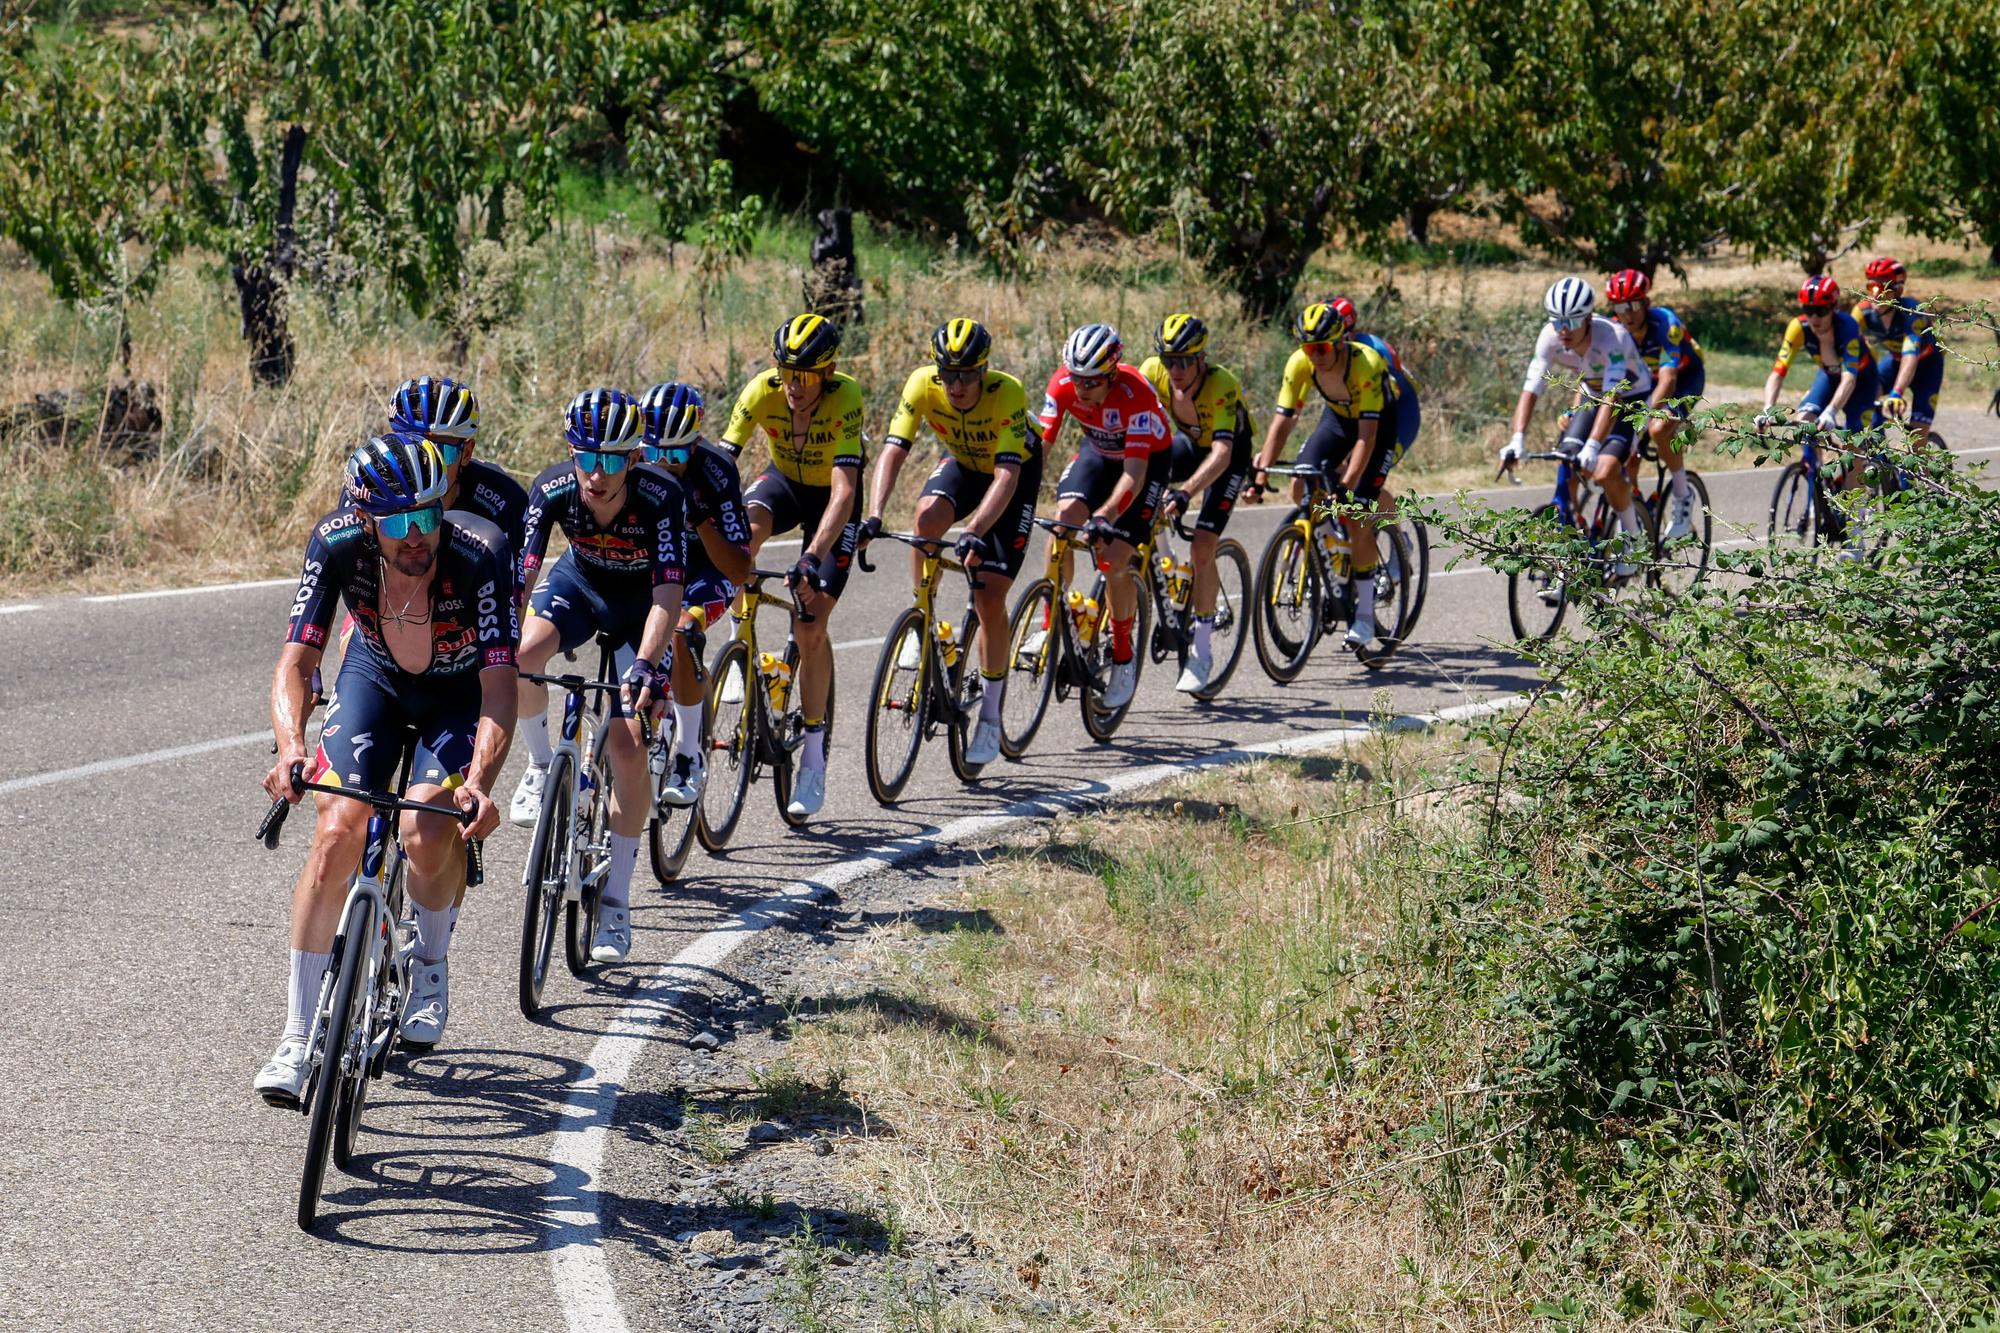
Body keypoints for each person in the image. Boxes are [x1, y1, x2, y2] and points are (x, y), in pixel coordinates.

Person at [255, 433, 514, 1104]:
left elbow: (499, 687)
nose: (417, 535)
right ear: (368, 519)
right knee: (338, 829)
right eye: (398, 522)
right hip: (374, 677)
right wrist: (290, 747)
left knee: (427, 831)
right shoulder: (338, 541)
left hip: (457, 697)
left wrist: (481, 781)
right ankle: (295, 1033)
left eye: (429, 514)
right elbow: (297, 662)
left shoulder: (478, 557)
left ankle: (429, 962)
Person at [509, 388, 688, 963]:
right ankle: (540, 766)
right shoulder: (554, 487)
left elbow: (667, 593)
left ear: (634, 459)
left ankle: (616, 898)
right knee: (519, 656)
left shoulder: (662, 497)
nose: (597, 473)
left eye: (611, 460)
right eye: (586, 458)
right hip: (581, 586)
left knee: (628, 743)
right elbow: (522, 578)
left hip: (642, 607)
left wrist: (647, 664)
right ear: (572, 454)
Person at [863, 318, 1041, 764]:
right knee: (925, 521)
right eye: (948, 373)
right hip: (963, 463)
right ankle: (922, 619)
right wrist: (875, 514)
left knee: (988, 594)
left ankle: (991, 717)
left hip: (1012, 474)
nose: (956, 385)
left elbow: (1005, 476)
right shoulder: (924, 385)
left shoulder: (1007, 393)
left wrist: (975, 531)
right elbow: (893, 451)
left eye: (966, 374)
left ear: (984, 371)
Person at [717, 314, 867, 819]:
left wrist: (810, 558)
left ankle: (815, 756)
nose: (793, 386)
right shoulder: (763, 391)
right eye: (785, 372)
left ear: (827, 373)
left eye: (804, 376)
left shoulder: (845, 397)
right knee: (742, 537)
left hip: (831, 499)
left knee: (810, 626)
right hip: (783, 481)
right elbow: (721, 463)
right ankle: (741, 643)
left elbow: (844, 493)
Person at [1253, 302, 1411, 648]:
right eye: (1308, 348)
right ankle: (1329, 541)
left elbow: (1367, 438)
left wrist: (1345, 487)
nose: (1315, 356)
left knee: (1357, 515)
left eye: (1321, 348)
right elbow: (1284, 421)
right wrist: (1262, 470)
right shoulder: (1300, 363)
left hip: (1378, 425)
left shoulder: (1365, 363)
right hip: (1338, 419)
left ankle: (1366, 616)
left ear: (1339, 342)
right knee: (1299, 486)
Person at [1040, 322, 1173, 710]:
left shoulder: (1136, 395)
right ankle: (1051, 628)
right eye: (1077, 379)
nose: (1082, 389)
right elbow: (1041, 450)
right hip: (1098, 452)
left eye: (1093, 382)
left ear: (1112, 373)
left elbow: (1133, 473)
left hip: (1145, 462)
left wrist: (1104, 515)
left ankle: (1123, 654)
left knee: (1113, 557)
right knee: (1061, 524)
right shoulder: (1063, 384)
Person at [638, 381, 752, 804]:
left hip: (708, 567)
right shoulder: (633, 466)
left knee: (684, 631)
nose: (664, 464)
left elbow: (740, 567)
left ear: (697, 440)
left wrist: (701, 517)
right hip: (659, 564)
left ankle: (689, 752)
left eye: (677, 454)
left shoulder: (716, 469)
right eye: (654, 454)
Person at [1499, 278, 1654, 577]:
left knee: (1605, 469)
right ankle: (1577, 536)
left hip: (1630, 398)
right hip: (1593, 394)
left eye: (1571, 321)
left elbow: (1614, 396)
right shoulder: (1550, 337)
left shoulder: (1613, 337)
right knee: (1566, 460)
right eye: (1557, 321)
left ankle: (1634, 542)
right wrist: (1517, 439)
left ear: (1588, 318)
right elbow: (1530, 390)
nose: (1564, 329)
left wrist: (1594, 446)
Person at [1138, 313, 1254, 693]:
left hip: (1229, 455)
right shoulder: (1152, 372)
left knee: (1203, 545)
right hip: (1189, 443)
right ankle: (1167, 569)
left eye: (1186, 361)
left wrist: (1186, 492)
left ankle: (1201, 653)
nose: (1177, 370)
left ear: (1202, 359)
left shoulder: (1221, 384)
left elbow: (1221, 454)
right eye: (1171, 361)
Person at [1602, 270, 1706, 542]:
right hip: (1646, 384)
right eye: (1620, 307)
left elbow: (1669, 379)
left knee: (1659, 428)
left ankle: (1683, 495)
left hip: (1684, 379)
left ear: (1646, 302)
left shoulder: (1665, 324)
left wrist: (1646, 417)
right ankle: (1636, 506)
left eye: (1634, 304)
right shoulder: (1614, 332)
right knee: (1624, 450)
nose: (1628, 313)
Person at [1854, 256, 1943, 449]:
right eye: (1871, 287)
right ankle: (1881, 455)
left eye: (1882, 288)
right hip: (1895, 362)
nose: (1875, 294)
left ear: (1897, 291)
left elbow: (1910, 356)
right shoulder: (1862, 312)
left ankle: (1923, 477)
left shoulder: (1912, 312)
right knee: (1868, 396)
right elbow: (1847, 347)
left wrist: (1896, 392)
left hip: (1927, 368)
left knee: (1916, 442)